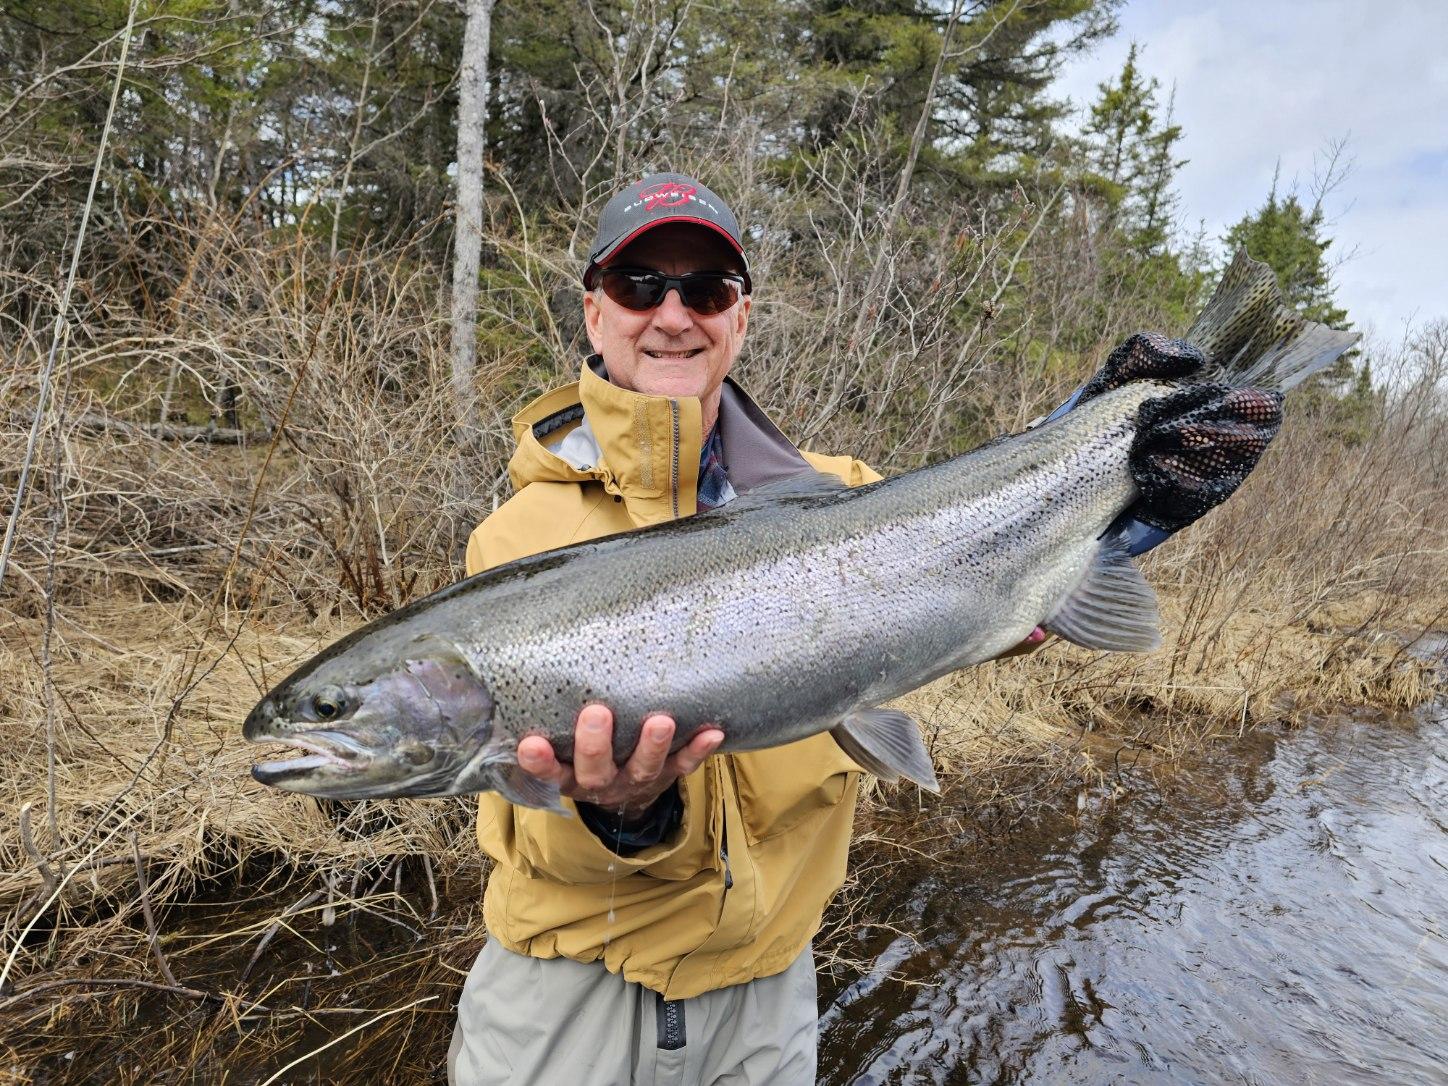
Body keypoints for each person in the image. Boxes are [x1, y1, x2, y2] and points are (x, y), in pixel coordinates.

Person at [447, 174, 1282, 1085]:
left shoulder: (842, 494)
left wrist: (1108, 450)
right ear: (594, 313)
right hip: (568, 993)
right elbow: (524, 828)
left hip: (770, 997)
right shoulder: (517, 541)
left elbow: (982, 574)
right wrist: (625, 815)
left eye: (707, 289)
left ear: (742, 317)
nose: (673, 314)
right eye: (640, 285)